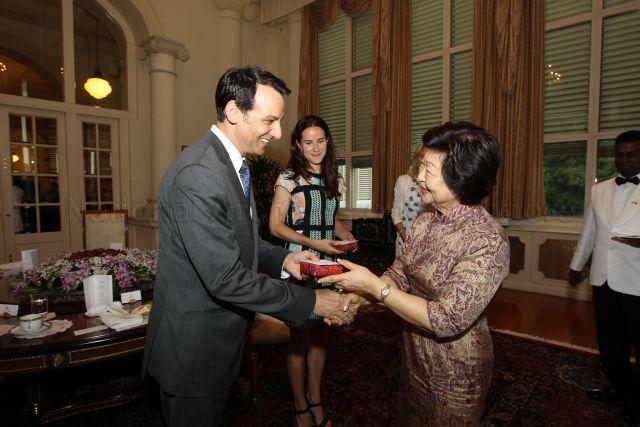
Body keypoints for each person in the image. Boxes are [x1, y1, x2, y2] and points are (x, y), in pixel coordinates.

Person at [142, 66, 357, 427]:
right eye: (270, 120)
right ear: (233, 112)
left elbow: (245, 241)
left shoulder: (232, 165)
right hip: (194, 353)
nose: (276, 133)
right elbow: (226, 278)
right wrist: (313, 301)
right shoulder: (199, 174)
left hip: (218, 345)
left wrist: (287, 260)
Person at [321, 121, 510, 426]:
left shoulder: (487, 239)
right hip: (413, 359)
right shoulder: (423, 221)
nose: (419, 177)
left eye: (428, 170)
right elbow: (399, 276)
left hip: (456, 374)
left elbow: (446, 319)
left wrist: (374, 287)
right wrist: (357, 299)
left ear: (461, 177)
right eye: (421, 166)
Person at [269, 115, 355, 427]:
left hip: (329, 267)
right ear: (297, 144)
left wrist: (345, 236)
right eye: (308, 142)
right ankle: (300, 404)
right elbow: (275, 226)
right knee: (300, 337)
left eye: (320, 140)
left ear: (327, 141)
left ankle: (316, 398)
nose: (315, 147)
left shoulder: (336, 178)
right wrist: (311, 242)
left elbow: (331, 220)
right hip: (299, 267)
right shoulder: (289, 177)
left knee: (322, 335)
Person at [568, 130, 640, 417]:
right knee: (610, 342)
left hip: (636, 281)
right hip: (603, 278)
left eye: (632, 154)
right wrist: (577, 264)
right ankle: (618, 385)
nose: (624, 160)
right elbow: (590, 229)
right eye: (620, 155)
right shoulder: (601, 189)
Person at [391, 145, 427, 256]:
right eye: (422, 156)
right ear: (416, 158)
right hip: (404, 236)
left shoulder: (438, 182)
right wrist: (403, 234)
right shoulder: (403, 180)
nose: (425, 160)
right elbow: (396, 212)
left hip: (427, 238)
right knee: (400, 271)